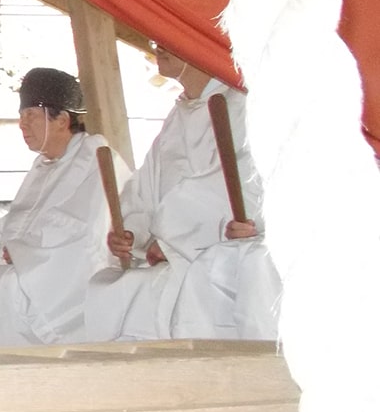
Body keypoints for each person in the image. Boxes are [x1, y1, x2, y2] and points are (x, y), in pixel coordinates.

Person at [84, 45, 279, 341]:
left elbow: (246, 190)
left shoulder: (244, 106)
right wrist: (131, 232)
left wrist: (172, 240)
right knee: (108, 290)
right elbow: (145, 188)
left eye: (168, 38)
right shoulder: (178, 115)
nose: (156, 45)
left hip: (218, 258)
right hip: (175, 255)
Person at [0, 67, 126, 347]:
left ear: (62, 119)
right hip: (30, 267)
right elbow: (15, 223)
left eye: (30, 115)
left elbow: (87, 237)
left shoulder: (96, 160)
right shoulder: (44, 166)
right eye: (21, 116)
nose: (22, 124)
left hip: (70, 281)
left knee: (8, 290)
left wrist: (21, 252)